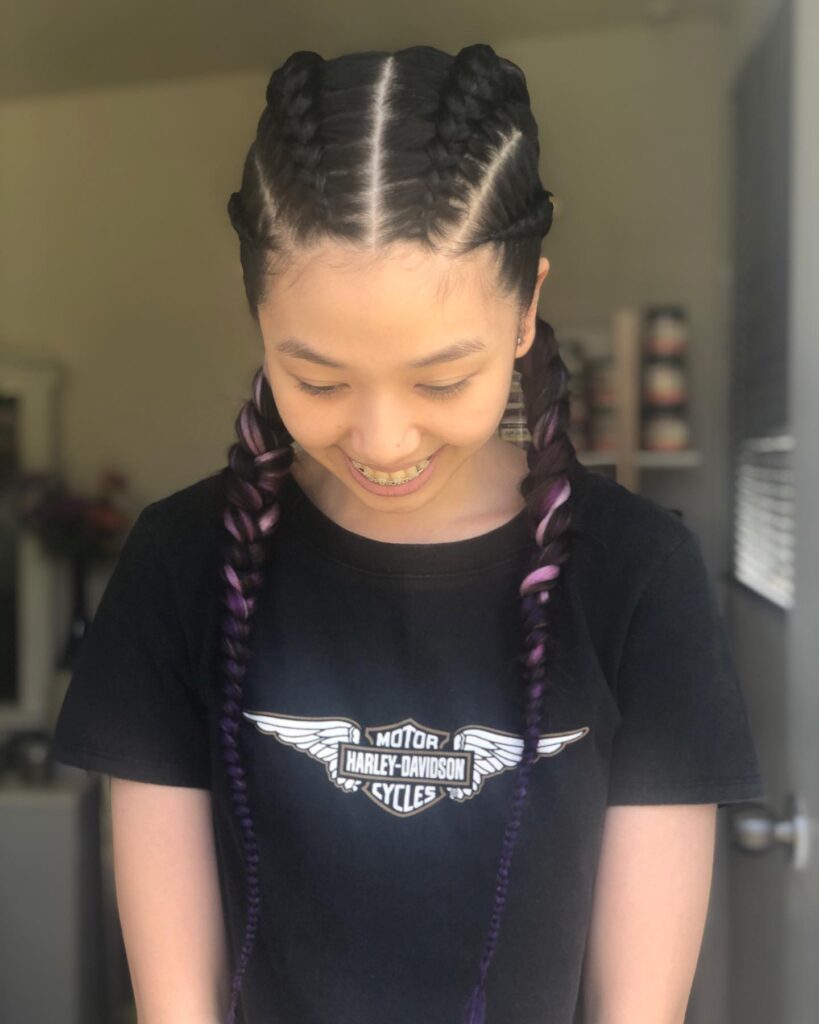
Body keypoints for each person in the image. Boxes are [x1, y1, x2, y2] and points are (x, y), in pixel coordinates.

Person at [51, 43, 764, 1024]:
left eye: (441, 380)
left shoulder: (639, 576)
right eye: (319, 379)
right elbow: (175, 1006)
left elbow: (641, 1009)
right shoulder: (181, 565)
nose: (383, 440)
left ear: (526, 311)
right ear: (260, 317)